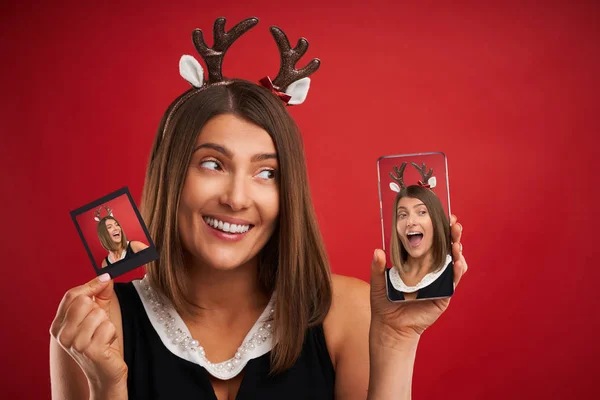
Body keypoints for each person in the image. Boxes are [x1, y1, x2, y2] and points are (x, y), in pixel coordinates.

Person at [49, 17, 469, 400]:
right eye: (212, 164)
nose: (236, 198)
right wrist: (106, 387)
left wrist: (396, 341)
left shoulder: (352, 313)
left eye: (266, 173)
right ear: (171, 176)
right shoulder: (94, 328)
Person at [387, 177, 454, 301]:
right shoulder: (385, 280)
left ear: (436, 220)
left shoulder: (451, 272)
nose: (410, 222)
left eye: (422, 212)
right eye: (403, 215)